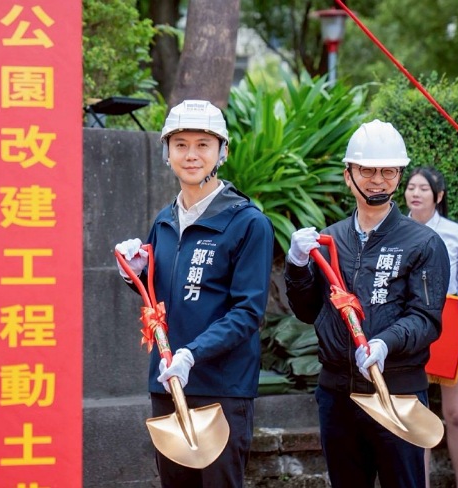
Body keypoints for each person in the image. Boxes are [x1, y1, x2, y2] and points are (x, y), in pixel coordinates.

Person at [114, 100, 274, 488]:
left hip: (221, 388)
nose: (191, 155)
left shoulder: (248, 222)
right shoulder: (165, 220)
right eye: (181, 144)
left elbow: (248, 311)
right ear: (166, 152)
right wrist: (134, 275)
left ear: (223, 151)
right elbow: (162, 299)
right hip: (167, 383)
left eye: (203, 144)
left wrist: (192, 353)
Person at [285, 120, 450, 488]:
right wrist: (298, 266)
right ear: (349, 175)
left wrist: (384, 342)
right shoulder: (329, 239)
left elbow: (426, 319)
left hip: (398, 391)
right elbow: (307, 310)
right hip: (337, 393)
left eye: (388, 171)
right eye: (367, 170)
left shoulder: (423, 243)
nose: (378, 179)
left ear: (399, 176)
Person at [404, 166, 458, 488]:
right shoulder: (395, 229)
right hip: (407, 331)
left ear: (438, 196)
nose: (415, 193)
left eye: (423, 189)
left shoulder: (456, 235)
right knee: (417, 417)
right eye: (411, 187)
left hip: (450, 331)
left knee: (456, 414)